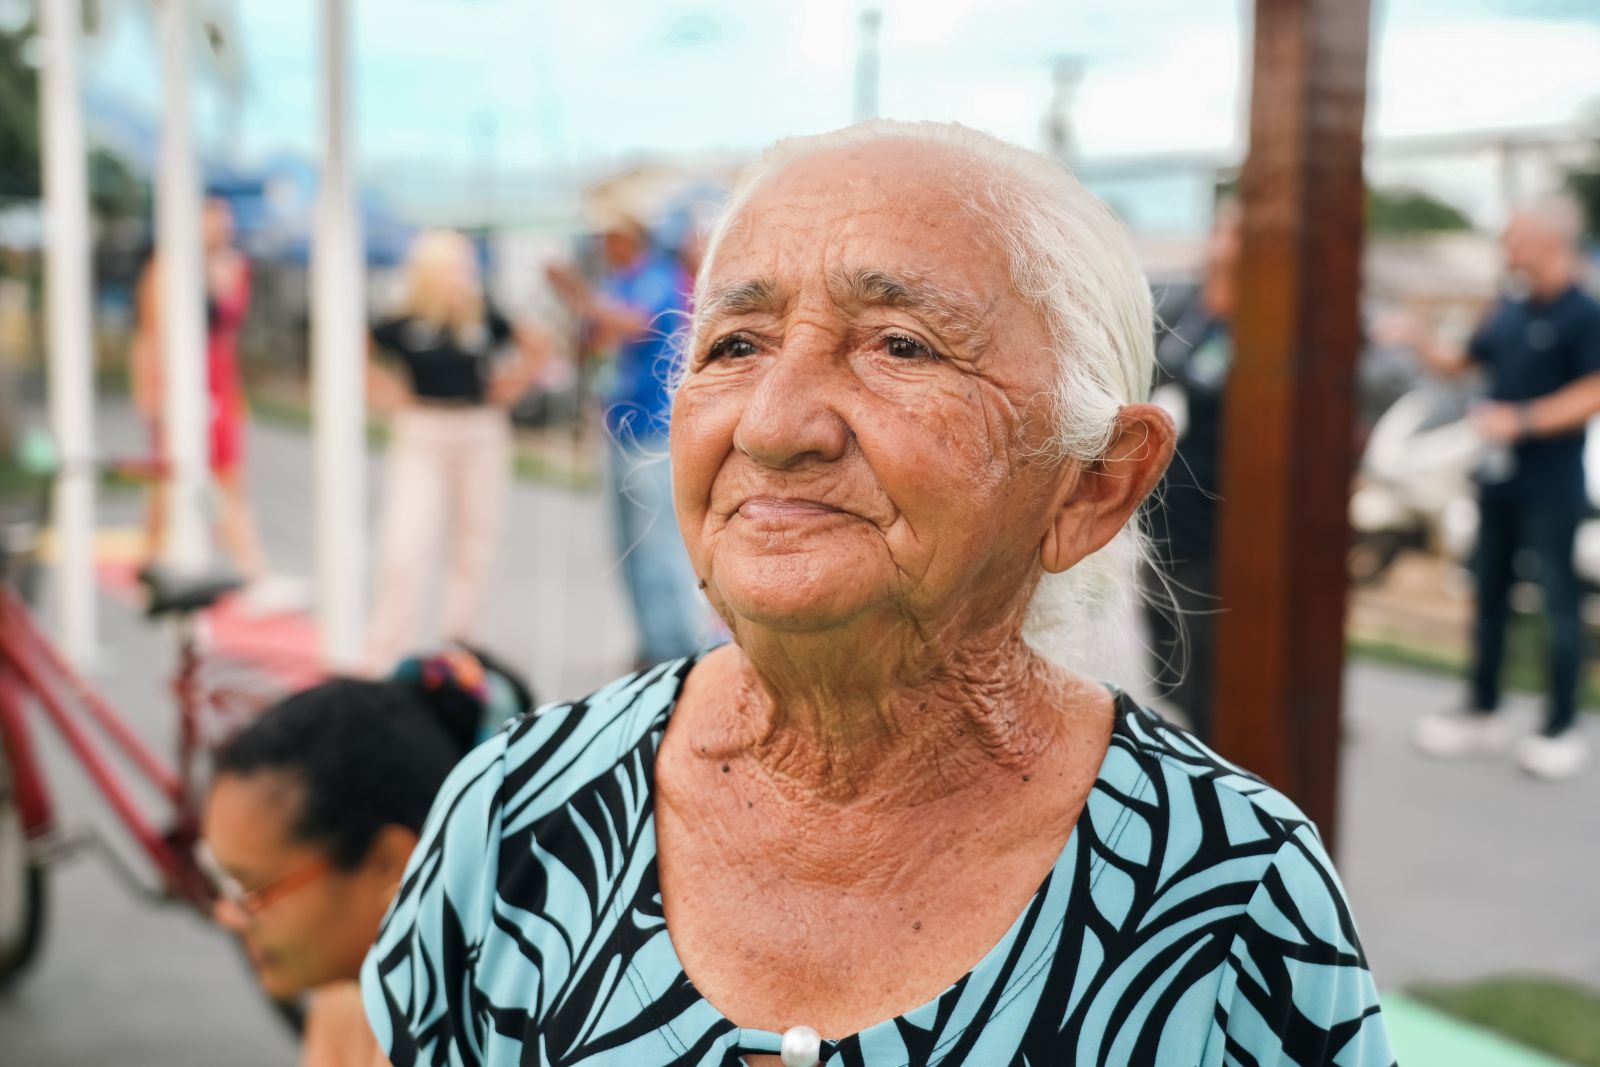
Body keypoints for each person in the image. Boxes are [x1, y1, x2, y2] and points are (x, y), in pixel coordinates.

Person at [363, 121, 1394, 1067]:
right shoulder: (519, 812)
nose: (773, 426)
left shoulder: (1230, 895)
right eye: (735, 344)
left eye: (898, 345)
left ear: (1094, 481)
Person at [201, 646, 532, 1067]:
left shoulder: (489, 1035)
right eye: (220, 878)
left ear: (388, 865)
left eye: (252, 887)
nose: (226, 913)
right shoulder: (347, 997)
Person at [1392, 197, 1600, 781]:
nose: (1505, 249)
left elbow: (1593, 389)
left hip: (1552, 485)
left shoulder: (1583, 313)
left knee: (1559, 603)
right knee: (1489, 596)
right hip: (1497, 480)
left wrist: (1525, 420)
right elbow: (1462, 364)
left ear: (1546, 240)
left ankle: (1560, 726)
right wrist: (1416, 336)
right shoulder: (1507, 309)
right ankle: (1483, 710)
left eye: (1513, 238)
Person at [365, 230, 549, 673]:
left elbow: (537, 345)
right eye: (453, 266)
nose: (462, 275)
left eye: (465, 266)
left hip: (479, 429)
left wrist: (512, 385)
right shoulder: (405, 320)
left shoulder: (483, 315)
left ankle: (460, 650)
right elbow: (360, 351)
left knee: (475, 544)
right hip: (423, 429)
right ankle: (386, 653)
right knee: (405, 544)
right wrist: (385, 393)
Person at [546, 191, 706, 669]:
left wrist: (577, 293)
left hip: (654, 432)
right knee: (626, 548)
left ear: (627, 234)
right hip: (619, 427)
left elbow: (635, 326)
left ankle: (679, 647)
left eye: (606, 234)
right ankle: (652, 644)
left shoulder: (660, 277)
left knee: (658, 546)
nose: (600, 242)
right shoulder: (618, 280)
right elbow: (597, 338)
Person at [130, 195, 301, 612]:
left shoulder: (234, 267)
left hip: (219, 379)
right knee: (170, 478)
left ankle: (251, 570)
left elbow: (228, 336)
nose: (218, 229)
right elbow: (151, 334)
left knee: (228, 478)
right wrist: (152, 391)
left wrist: (234, 394)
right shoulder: (166, 268)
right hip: (180, 379)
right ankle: (153, 562)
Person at [1143, 204, 1241, 742]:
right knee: (1163, 628)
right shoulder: (1187, 305)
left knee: (1207, 643)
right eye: (1223, 227)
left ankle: (1211, 744)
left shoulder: (1260, 320)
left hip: (1223, 504)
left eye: (1240, 231)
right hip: (1168, 499)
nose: (1225, 239)